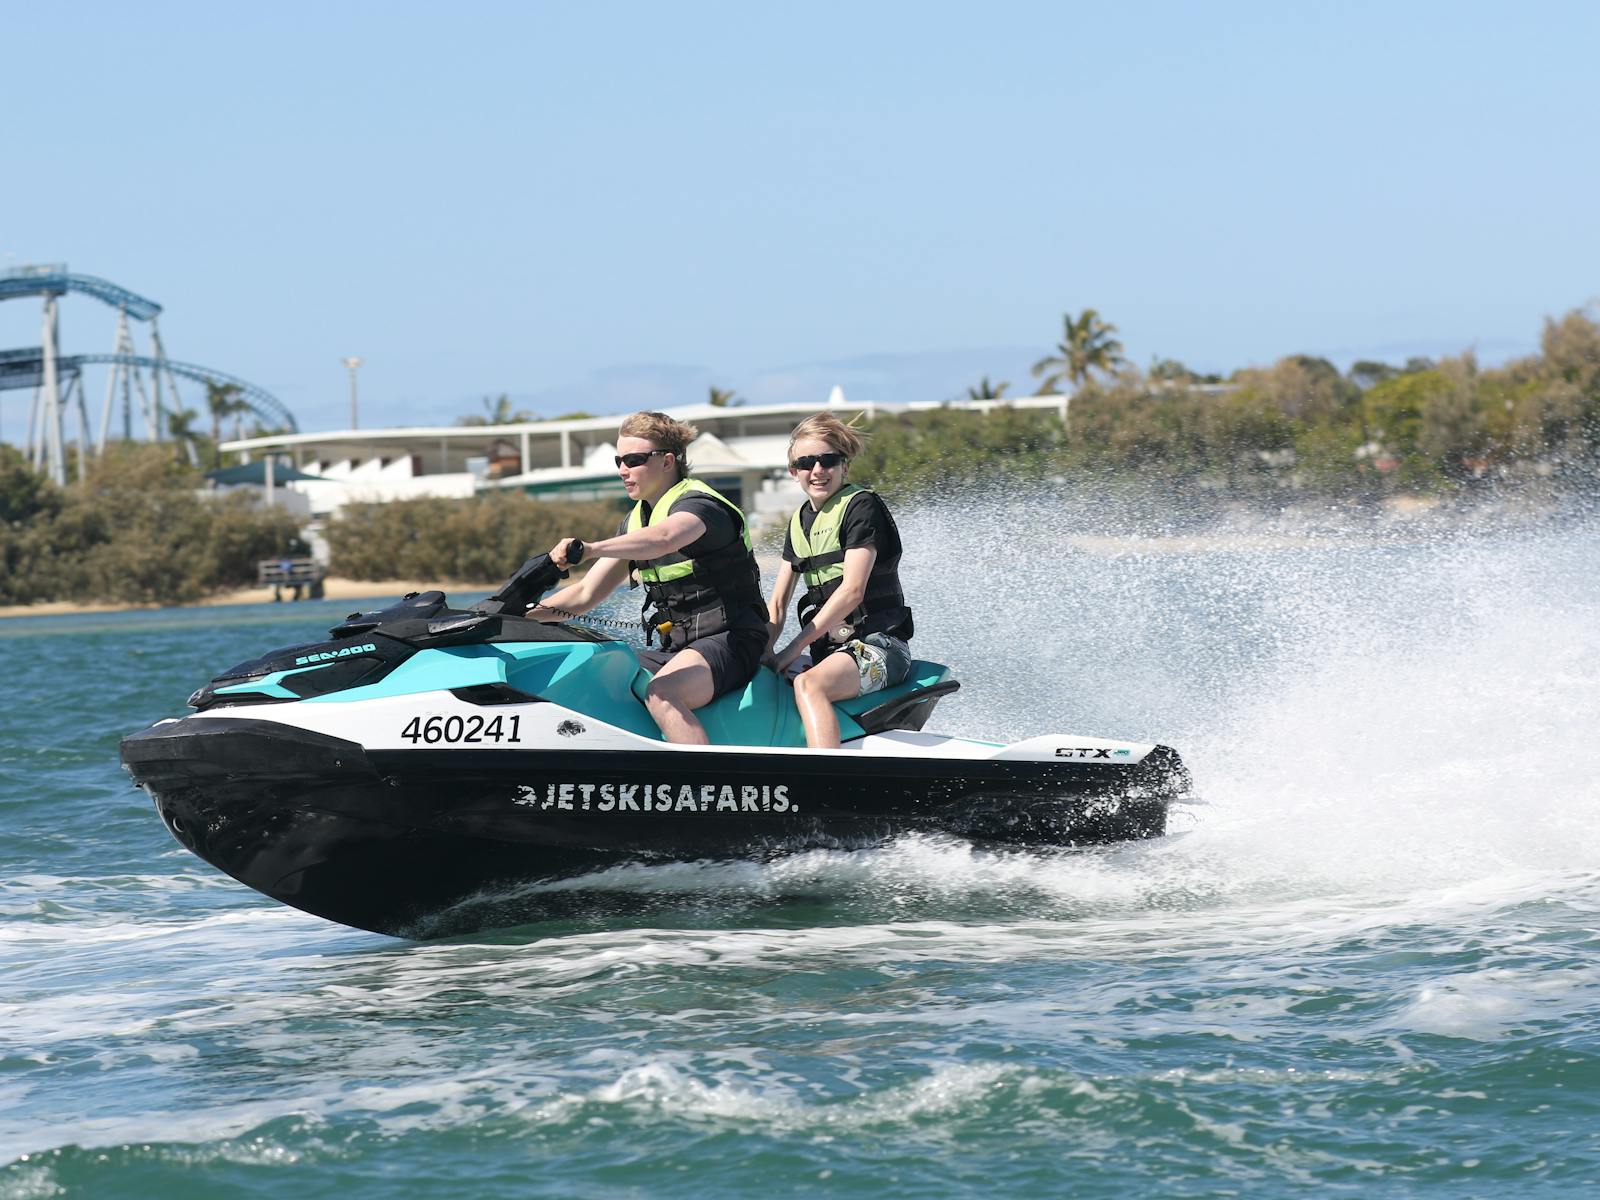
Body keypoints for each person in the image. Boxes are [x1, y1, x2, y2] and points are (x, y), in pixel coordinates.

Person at [531, 411, 767, 745]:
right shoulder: (636, 521)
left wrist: (591, 548)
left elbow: (665, 539)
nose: (623, 470)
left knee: (663, 692)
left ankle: (704, 789)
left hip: (733, 640)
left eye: (634, 459)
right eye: (619, 460)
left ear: (667, 461)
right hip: (678, 648)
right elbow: (584, 594)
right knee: (592, 672)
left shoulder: (701, 506)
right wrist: (507, 615)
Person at [766, 412, 914, 748]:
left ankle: (824, 780)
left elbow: (852, 591)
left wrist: (792, 648)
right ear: (794, 472)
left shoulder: (861, 506)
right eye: (806, 463)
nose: (817, 470)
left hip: (880, 647)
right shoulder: (798, 522)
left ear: (844, 466)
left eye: (827, 460)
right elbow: (777, 604)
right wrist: (761, 652)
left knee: (809, 685)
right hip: (832, 651)